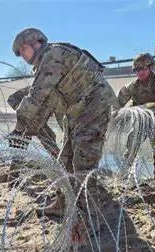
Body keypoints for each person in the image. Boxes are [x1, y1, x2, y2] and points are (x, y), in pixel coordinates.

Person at [10, 27, 118, 177]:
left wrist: (18, 130)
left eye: (23, 48)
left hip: (94, 107)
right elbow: (45, 104)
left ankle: (92, 199)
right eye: (19, 52)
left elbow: (36, 97)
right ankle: (64, 199)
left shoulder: (53, 55)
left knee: (82, 167)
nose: (22, 54)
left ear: (36, 43)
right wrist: (24, 132)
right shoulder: (44, 63)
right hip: (78, 112)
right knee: (65, 163)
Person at [117, 53, 155, 181]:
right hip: (140, 122)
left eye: (143, 69)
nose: (139, 72)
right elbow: (117, 102)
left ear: (150, 67)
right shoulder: (132, 86)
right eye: (136, 70)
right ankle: (122, 179)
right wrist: (114, 113)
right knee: (130, 151)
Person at [7, 85, 61, 157]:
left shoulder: (54, 93)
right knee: (37, 132)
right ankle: (17, 160)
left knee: (48, 135)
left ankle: (57, 158)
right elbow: (11, 99)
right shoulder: (43, 90)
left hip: (35, 107)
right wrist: (22, 111)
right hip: (28, 106)